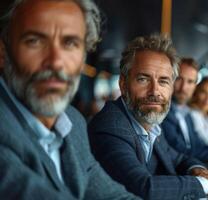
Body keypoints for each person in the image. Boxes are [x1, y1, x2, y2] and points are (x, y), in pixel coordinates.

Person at [0, 0, 138, 199]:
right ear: (3, 52)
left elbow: (113, 195)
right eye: (35, 41)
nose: (56, 61)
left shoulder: (72, 122)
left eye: (70, 43)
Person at [88, 35, 208, 200]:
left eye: (164, 81)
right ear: (123, 84)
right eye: (143, 79)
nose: (155, 92)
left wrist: (197, 170)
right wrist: (205, 184)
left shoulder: (151, 124)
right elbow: (142, 187)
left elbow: (179, 158)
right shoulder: (111, 126)